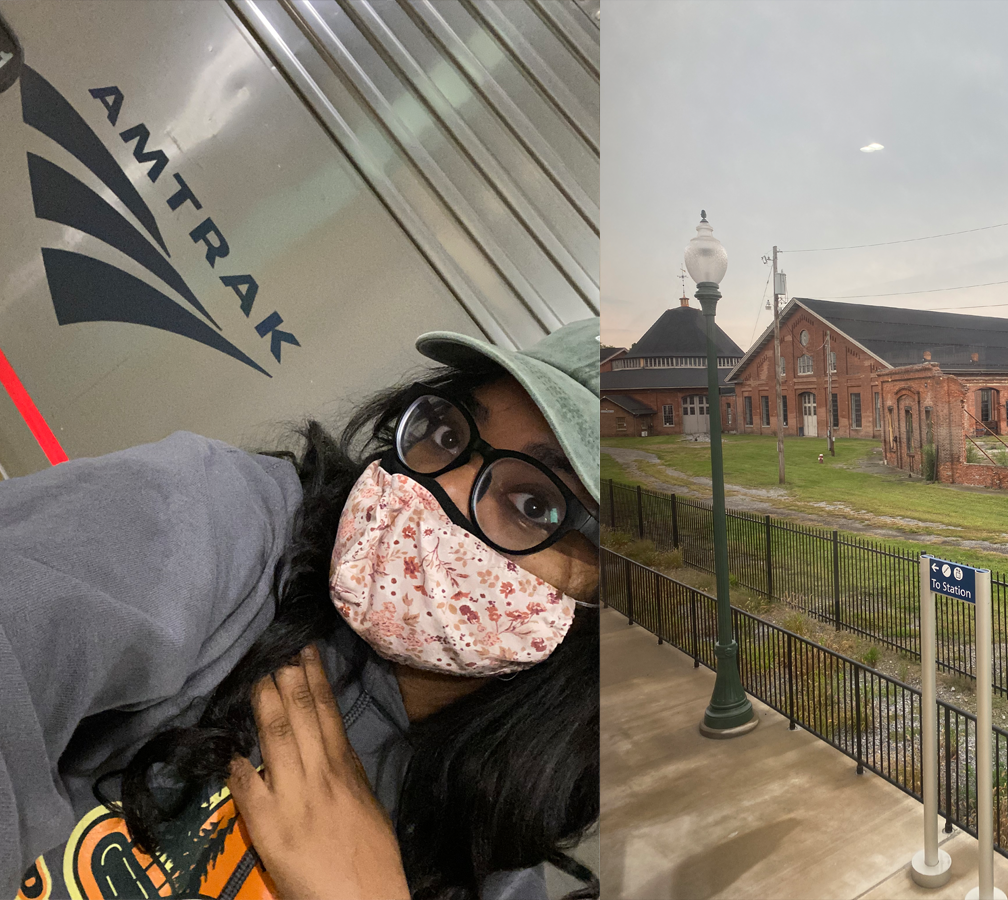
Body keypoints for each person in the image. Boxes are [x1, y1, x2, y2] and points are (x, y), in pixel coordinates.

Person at [0, 317, 601, 900]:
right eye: (449, 437)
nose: (438, 487)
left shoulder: (494, 858)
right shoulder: (220, 521)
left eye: (532, 503)